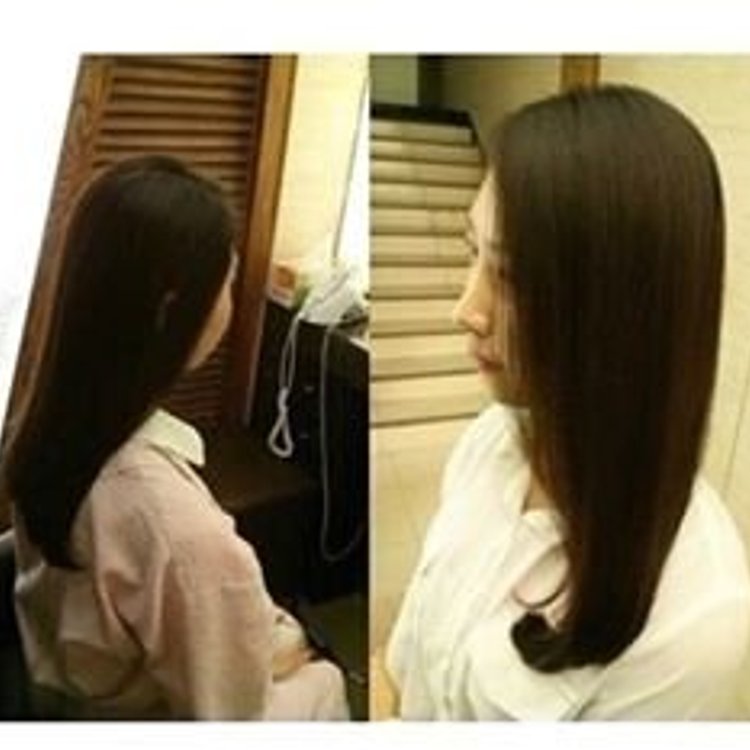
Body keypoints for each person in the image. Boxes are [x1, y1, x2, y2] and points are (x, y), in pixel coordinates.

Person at [385, 85, 750, 720]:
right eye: (473, 253)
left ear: (623, 309)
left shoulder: (694, 617)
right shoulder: (491, 441)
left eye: (512, 276)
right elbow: (408, 660)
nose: (465, 310)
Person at [2, 156, 348, 720]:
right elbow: (231, 712)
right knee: (326, 679)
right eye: (227, 282)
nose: (231, 302)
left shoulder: (42, 427)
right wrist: (301, 660)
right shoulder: (174, 527)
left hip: (66, 686)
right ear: (172, 309)